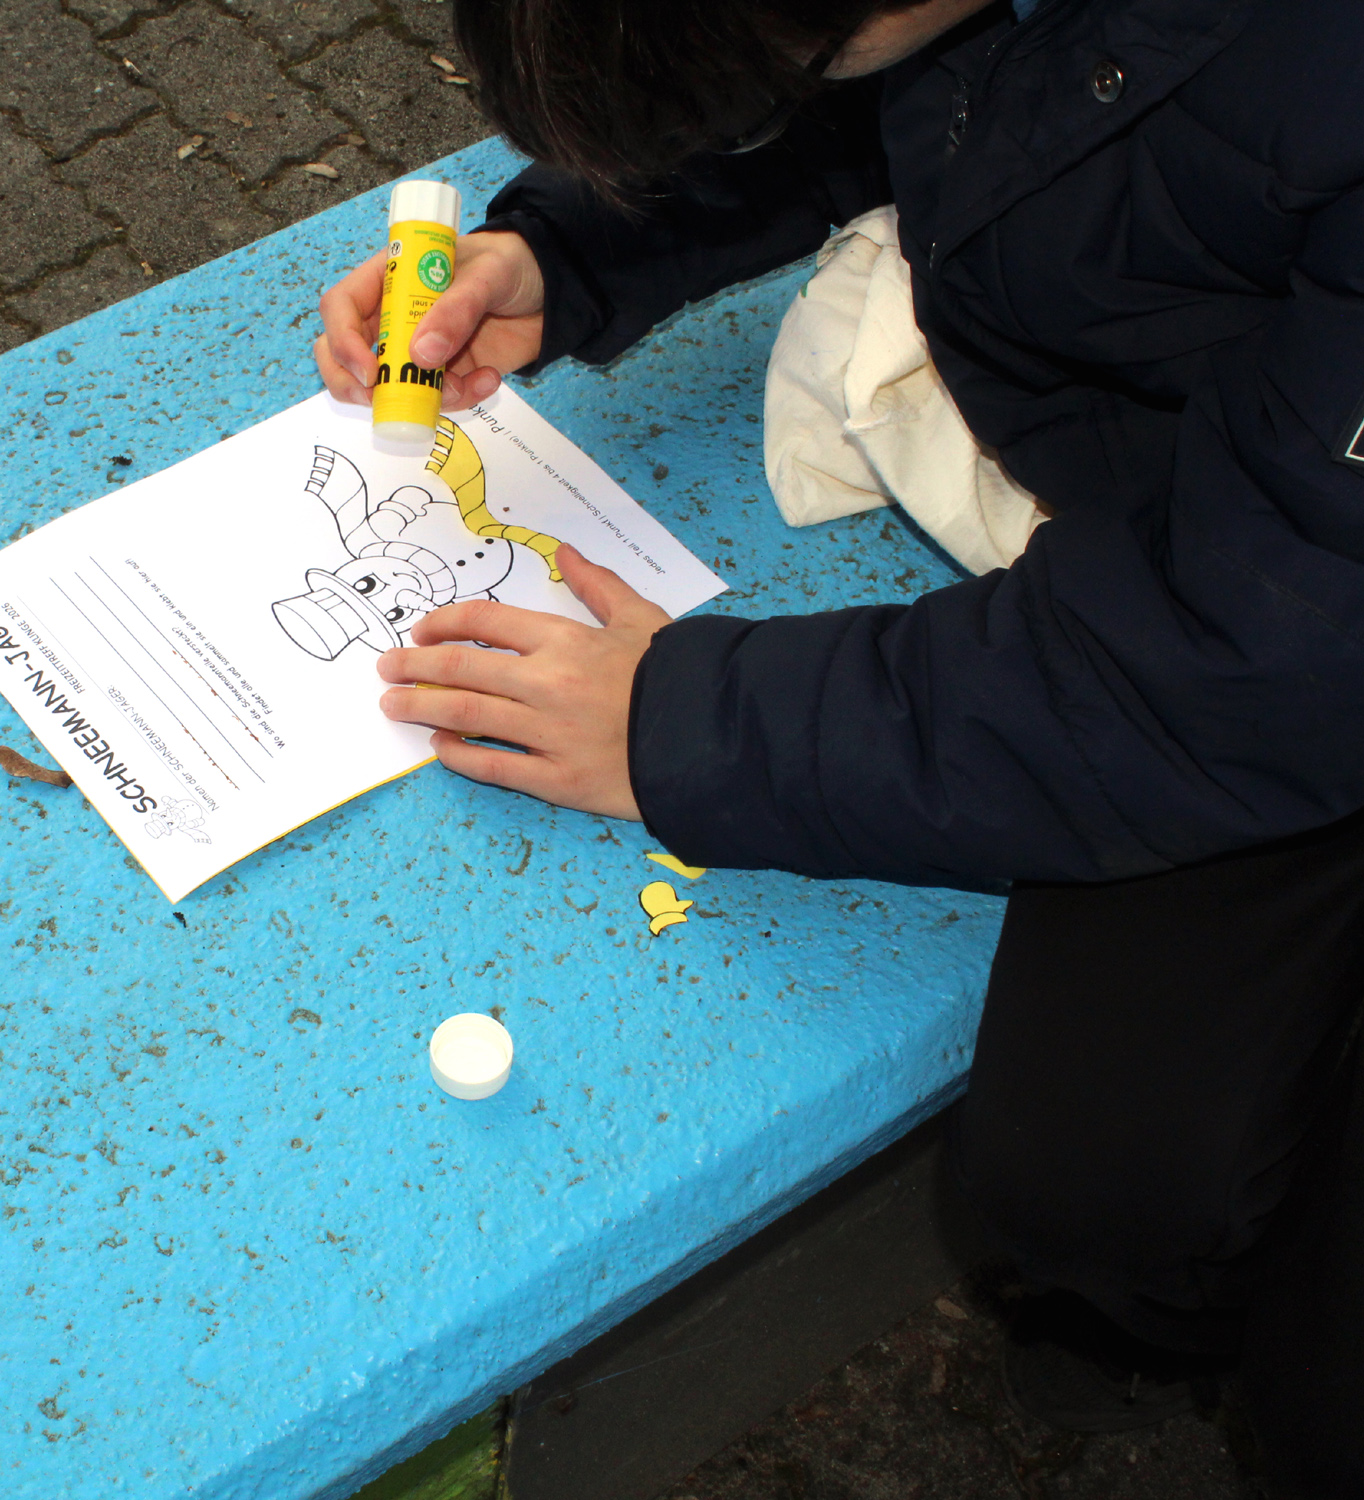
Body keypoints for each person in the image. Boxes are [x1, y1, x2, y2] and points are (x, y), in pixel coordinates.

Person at [314, 0, 1364, 1492]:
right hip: (1224, 516)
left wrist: (685, 723)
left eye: (779, 72)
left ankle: (1176, 1327)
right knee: (1094, 1171)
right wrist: (570, 247)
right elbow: (897, 97)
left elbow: (1245, 665)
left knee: (1133, 1192)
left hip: (1283, 624)